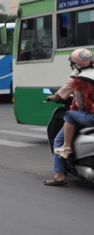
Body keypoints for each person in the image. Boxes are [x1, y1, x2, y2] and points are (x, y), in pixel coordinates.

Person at [44, 49, 94, 186]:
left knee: (69, 116)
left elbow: (81, 106)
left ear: (76, 64)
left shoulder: (80, 80)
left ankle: (60, 173)